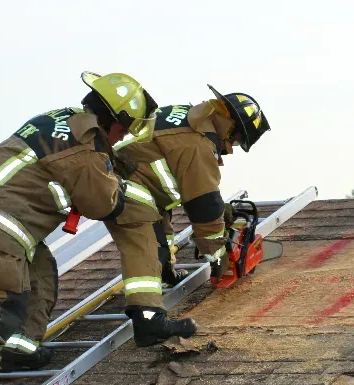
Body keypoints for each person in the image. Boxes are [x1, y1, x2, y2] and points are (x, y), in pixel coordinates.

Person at [0, 72, 159, 385]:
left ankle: (17, 347)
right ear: (114, 119)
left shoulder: (65, 120)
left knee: (40, 273)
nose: (124, 137)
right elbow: (99, 202)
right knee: (0, 291)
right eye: (126, 128)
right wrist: (123, 194)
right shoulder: (84, 144)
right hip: (3, 211)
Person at [115, 85, 270, 345]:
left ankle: (165, 275)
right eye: (235, 140)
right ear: (229, 127)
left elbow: (190, 186)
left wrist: (220, 210)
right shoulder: (199, 143)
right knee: (147, 246)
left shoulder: (190, 118)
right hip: (124, 184)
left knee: (161, 236)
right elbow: (203, 206)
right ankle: (148, 321)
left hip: (137, 185)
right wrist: (218, 256)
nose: (231, 147)